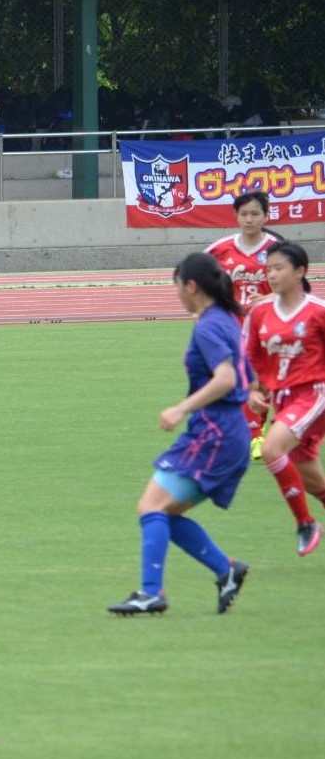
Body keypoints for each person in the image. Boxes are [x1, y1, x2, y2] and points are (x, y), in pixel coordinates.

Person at [109, 252, 251, 616]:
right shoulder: (223, 319)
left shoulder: (208, 326)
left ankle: (151, 593)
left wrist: (180, 408)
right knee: (163, 514)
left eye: (177, 285)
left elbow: (227, 378)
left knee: (151, 507)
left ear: (191, 286)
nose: (175, 293)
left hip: (214, 433)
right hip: (225, 432)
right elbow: (243, 374)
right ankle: (226, 570)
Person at [242, 241, 325, 558]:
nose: (272, 275)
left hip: (315, 393)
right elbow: (251, 357)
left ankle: (305, 523)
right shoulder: (260, 312)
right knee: (312, 480)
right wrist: (253, 390)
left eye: (279, 268)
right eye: (268, 269)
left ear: (300, 271)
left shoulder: (317, 312)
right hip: (284, 399)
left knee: (272, 448)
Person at [204, 190, 282, 459]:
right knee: (247, 379)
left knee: (266, 384)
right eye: (244, 214)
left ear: (266, 216)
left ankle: (264, 428)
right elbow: (199, 276)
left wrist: (271, 296)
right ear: (236, 216)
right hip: (233, 326)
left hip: (270, 324)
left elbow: (299, 286)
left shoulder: (277, 248)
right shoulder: (220, 248)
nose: (249, 219)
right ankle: (254, 436)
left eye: (255, 214)